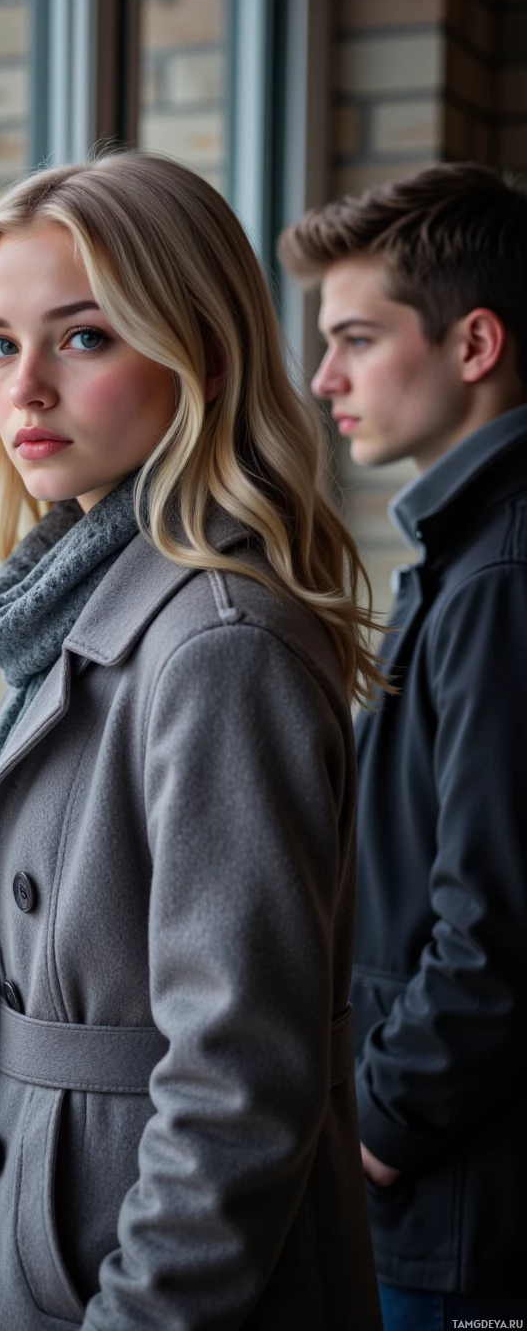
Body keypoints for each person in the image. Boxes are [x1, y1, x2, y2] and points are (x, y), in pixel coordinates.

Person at [0, 150, 383, 1331]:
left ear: (201, 352)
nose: (25, 392)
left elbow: (237, 1090)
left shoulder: (215, 643)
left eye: (84, 337)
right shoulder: (86, 597)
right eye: (0, 345)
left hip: (128, 1261)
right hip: (43, 1218)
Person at [279, 162, 527, 1330]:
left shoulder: (500, 579)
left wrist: (374, 1124)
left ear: (473, 344)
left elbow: (499, 931)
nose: (322, 377)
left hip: (461, 1211)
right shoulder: (472, 549)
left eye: (357, 339)